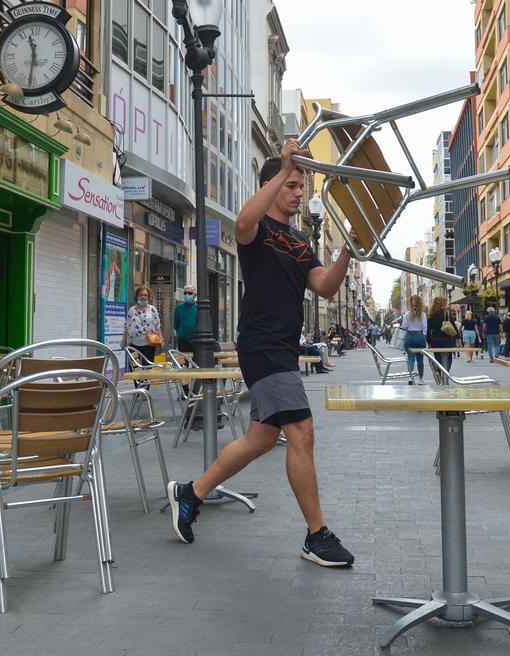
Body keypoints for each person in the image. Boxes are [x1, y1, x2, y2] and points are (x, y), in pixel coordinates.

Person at [166, 140, 355, 567]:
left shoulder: (300, 240)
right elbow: (244, 221)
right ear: (271, 183)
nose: (298, 192)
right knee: (302, 430)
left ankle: (190, 493)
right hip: (262, 344)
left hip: (283, 348)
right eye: (290, 184)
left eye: (300, 186)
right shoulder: (257, 232)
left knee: (261, 439)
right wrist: (282, 164)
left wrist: (348, 251)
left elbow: (324, 286)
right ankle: (316, 536)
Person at [121, 285, 162, 364]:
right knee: (135, 369)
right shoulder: (131, 310)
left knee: (147, 369)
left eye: (145, 295)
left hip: (149, 344)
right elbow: (126, 327)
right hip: (133, 345)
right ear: (137, 296)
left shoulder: (152, 310)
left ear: (148, 297)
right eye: (141, 295)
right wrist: (123, 340)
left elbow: (157, 326)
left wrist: (161, 341)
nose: (143, 297)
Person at [426, 296, 459, 373]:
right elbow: (454, 326)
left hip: (435, 340)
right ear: (443, 303)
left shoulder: (431, 315)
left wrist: (429, 342)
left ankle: (440, 373)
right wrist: (458, 337)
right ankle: (445, 374)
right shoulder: (447, 313)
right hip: (447, 339)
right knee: (449, 359)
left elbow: (428, 330)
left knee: (438, 359)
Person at [400, 295, 428, 383]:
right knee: (420, 359)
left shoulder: (407, 315)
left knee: (411, 358)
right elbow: (425, 327)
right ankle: (421, 379)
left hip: (410, 337)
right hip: (420, 336)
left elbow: (404, 326)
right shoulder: (423, 315)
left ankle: (411, 377)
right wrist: (423, 336)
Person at [173, 284, 198, 354]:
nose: (187, 295)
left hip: (195, 339)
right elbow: (176, 323)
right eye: (185, 293)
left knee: (195, 360)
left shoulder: (199, 307)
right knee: (184, 360)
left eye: (190, 293)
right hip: (182, 339)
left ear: (195, 295)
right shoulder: (179, 307)